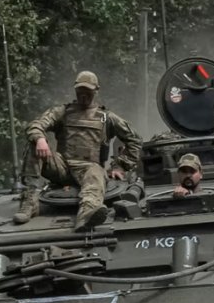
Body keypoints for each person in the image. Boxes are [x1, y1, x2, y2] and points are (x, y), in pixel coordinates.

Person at [14, 71, 142, 230]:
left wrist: (120, 165)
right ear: (75, 90)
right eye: (80, 91)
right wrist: (40, 139)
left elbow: (135, 139)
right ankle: (30, 202)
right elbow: (36, 125)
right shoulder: (63, 112)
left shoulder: (106, 117)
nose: (83, 95)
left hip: (89, 169)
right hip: (61, 167)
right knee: (33, 144)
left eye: (87, 91)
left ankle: (87, 213)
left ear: (96, 90)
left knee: (96, 172)